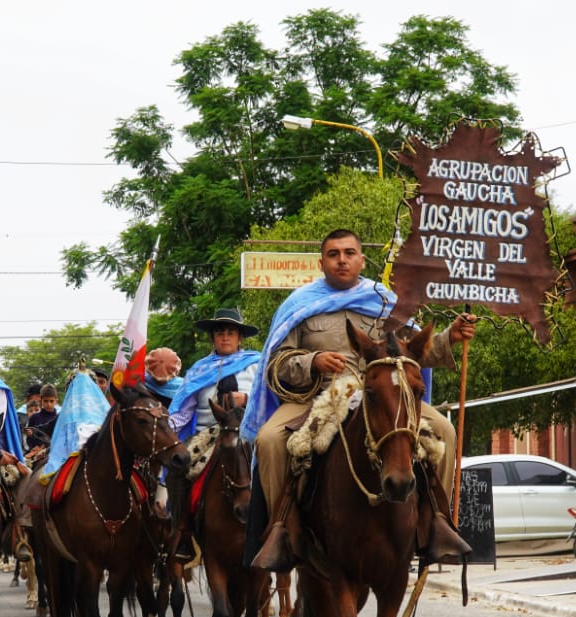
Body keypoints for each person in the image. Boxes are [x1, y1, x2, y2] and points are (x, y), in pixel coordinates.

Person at [242, 228, 476, 571]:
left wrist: (449, 338)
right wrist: (313, 361)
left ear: (362, 260)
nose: (342, 260)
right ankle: (283, 531)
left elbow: (414, 352)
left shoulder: (384, 302)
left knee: (444, 431)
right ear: (321, 262)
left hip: (381, 396)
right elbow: (276, 364)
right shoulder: (299, 305)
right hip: (315, 397)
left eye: (349, 253)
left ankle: (434, 524)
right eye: (333, 254)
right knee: (268, 440)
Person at [168, 308, 261, 440]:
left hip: (249, 436)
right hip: (205, 437)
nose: (225, 338)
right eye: (219, 333)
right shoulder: (199, 370)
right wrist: (163, 430)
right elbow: (183, 412)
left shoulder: (257, 365)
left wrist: (247, 399)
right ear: (212, 338)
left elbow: (270, 402)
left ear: (239, 338)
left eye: (231, 333)